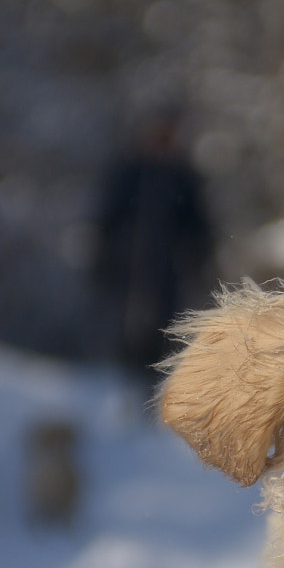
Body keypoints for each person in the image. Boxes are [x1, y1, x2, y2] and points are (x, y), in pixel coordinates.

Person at [90, 109, 216, 379]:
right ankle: (123, 379)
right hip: (129, 268)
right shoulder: (129, 173)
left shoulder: (183, 178)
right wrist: (105, 256)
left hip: (169, 271)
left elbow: (199, 227)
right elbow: (107, 219)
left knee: (166, 329)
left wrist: (196, 258)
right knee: (126, 327)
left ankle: (153, 385)